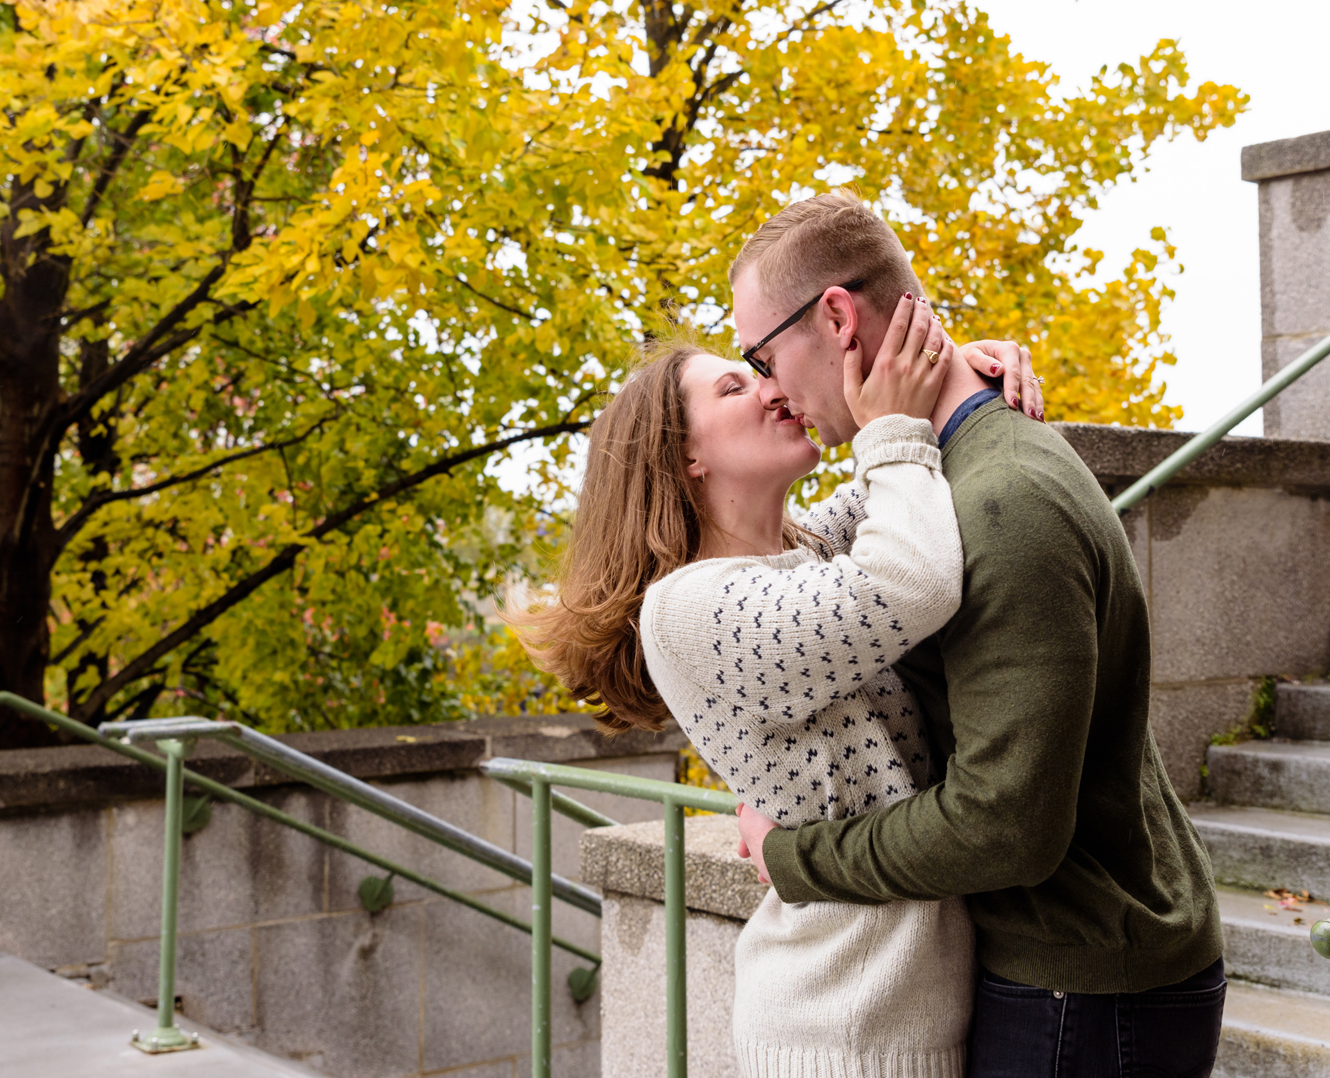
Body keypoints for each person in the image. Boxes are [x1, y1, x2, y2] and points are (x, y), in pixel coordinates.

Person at [728, 191, 1226, 1078]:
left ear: (837, 317)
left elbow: (1007, 827)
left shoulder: (1000, 498)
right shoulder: (949, 472)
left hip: (1084, 989)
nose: (771, 389)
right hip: (1078, 974)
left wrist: (792, 855)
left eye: (762, 355)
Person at [519, 291, 1040, 1078]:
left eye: (762, 369)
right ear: (684, 455)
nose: (770, 386)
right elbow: (909, 579)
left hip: (896, 1011)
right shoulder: (689, 607)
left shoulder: (806, 546)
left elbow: (910, 465)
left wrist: (964, 369)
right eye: (734, 385)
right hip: (846, 1031)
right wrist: (904, 422)